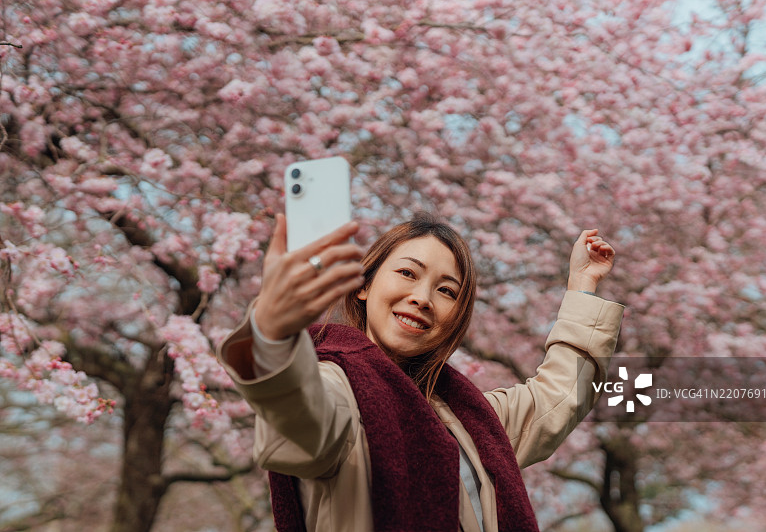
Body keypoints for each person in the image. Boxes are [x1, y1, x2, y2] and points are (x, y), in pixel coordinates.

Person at [217, 212, 623, 532]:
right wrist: (272, 333)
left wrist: (582, 284)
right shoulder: (334, 386)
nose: (422, 298)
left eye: (446, 290)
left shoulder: (468, 420)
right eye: (408, 273)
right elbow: (299, 410)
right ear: (363, 284)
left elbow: (557, 397)